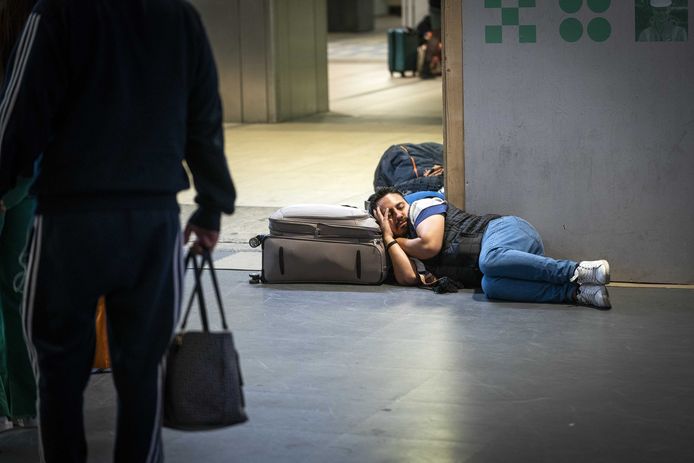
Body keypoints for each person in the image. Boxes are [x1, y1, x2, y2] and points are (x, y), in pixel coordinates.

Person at [0, 0, 236, 461]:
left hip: (70, 220)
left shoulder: (55, 13)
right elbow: (204, 116)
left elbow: (19, 113)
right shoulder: (179, 16)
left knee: (59, 369)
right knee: (143, 368)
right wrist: (210, 207)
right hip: (152, 220)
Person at [369, 187, 611, 309]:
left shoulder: (420, 207)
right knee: (490, 286)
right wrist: (389, 239)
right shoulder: (404, 244)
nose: (399, 214)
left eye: (399, 206)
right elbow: (408, 277)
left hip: (506, 231)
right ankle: (578, 294)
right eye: (389, 215)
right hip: (504, 265)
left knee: (490, 261)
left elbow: (430, 245)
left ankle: (576, 270)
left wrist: (399, 242)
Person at [0, 0, 38, 433]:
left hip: (14, 183)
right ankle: (26, 405)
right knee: (15, 291)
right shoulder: (39, 35)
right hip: (25, 185)